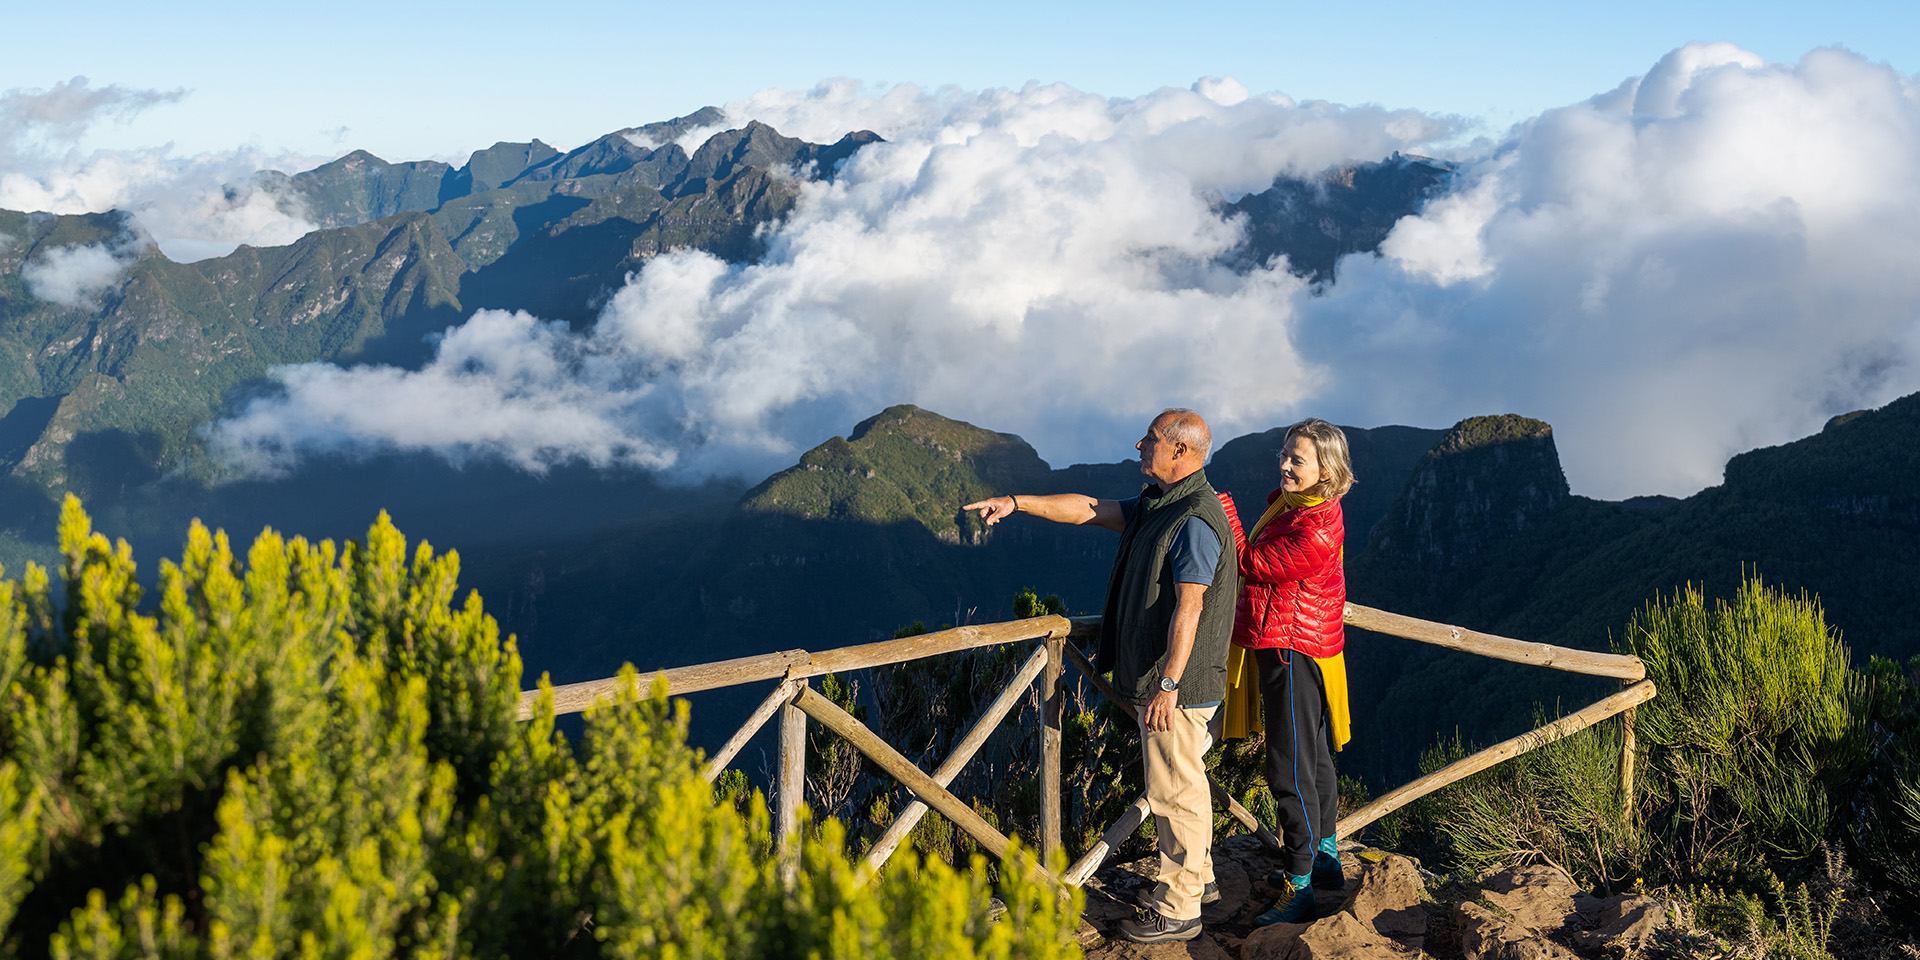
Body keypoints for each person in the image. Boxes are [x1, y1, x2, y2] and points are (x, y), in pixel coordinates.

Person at [964, 408, 1240, 945]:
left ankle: (1179, 907)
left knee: (1172, 789)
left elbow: (1191, 609)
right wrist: (1018, 502)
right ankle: (1199, 880)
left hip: (1177, 688)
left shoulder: (1197, 520)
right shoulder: (1160, 505)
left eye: (1152, 439)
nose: (1140, 443)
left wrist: (1167, 684)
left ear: (1180, 451)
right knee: (1185, 779)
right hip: (1174, 683)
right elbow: (1088, 510)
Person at [1220, 417, 1355, 925]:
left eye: (1297, 459)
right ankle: (1325, 860)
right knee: (1314, 756)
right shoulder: (1306, 509)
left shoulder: (1314, 526)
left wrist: (1225, 510)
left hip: (1290, 649)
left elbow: (1251, 562)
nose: (1284, 464)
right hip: (1309, 647)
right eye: (1284, 453)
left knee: (1289, 765)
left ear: (1326, 470)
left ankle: (1298, 888)